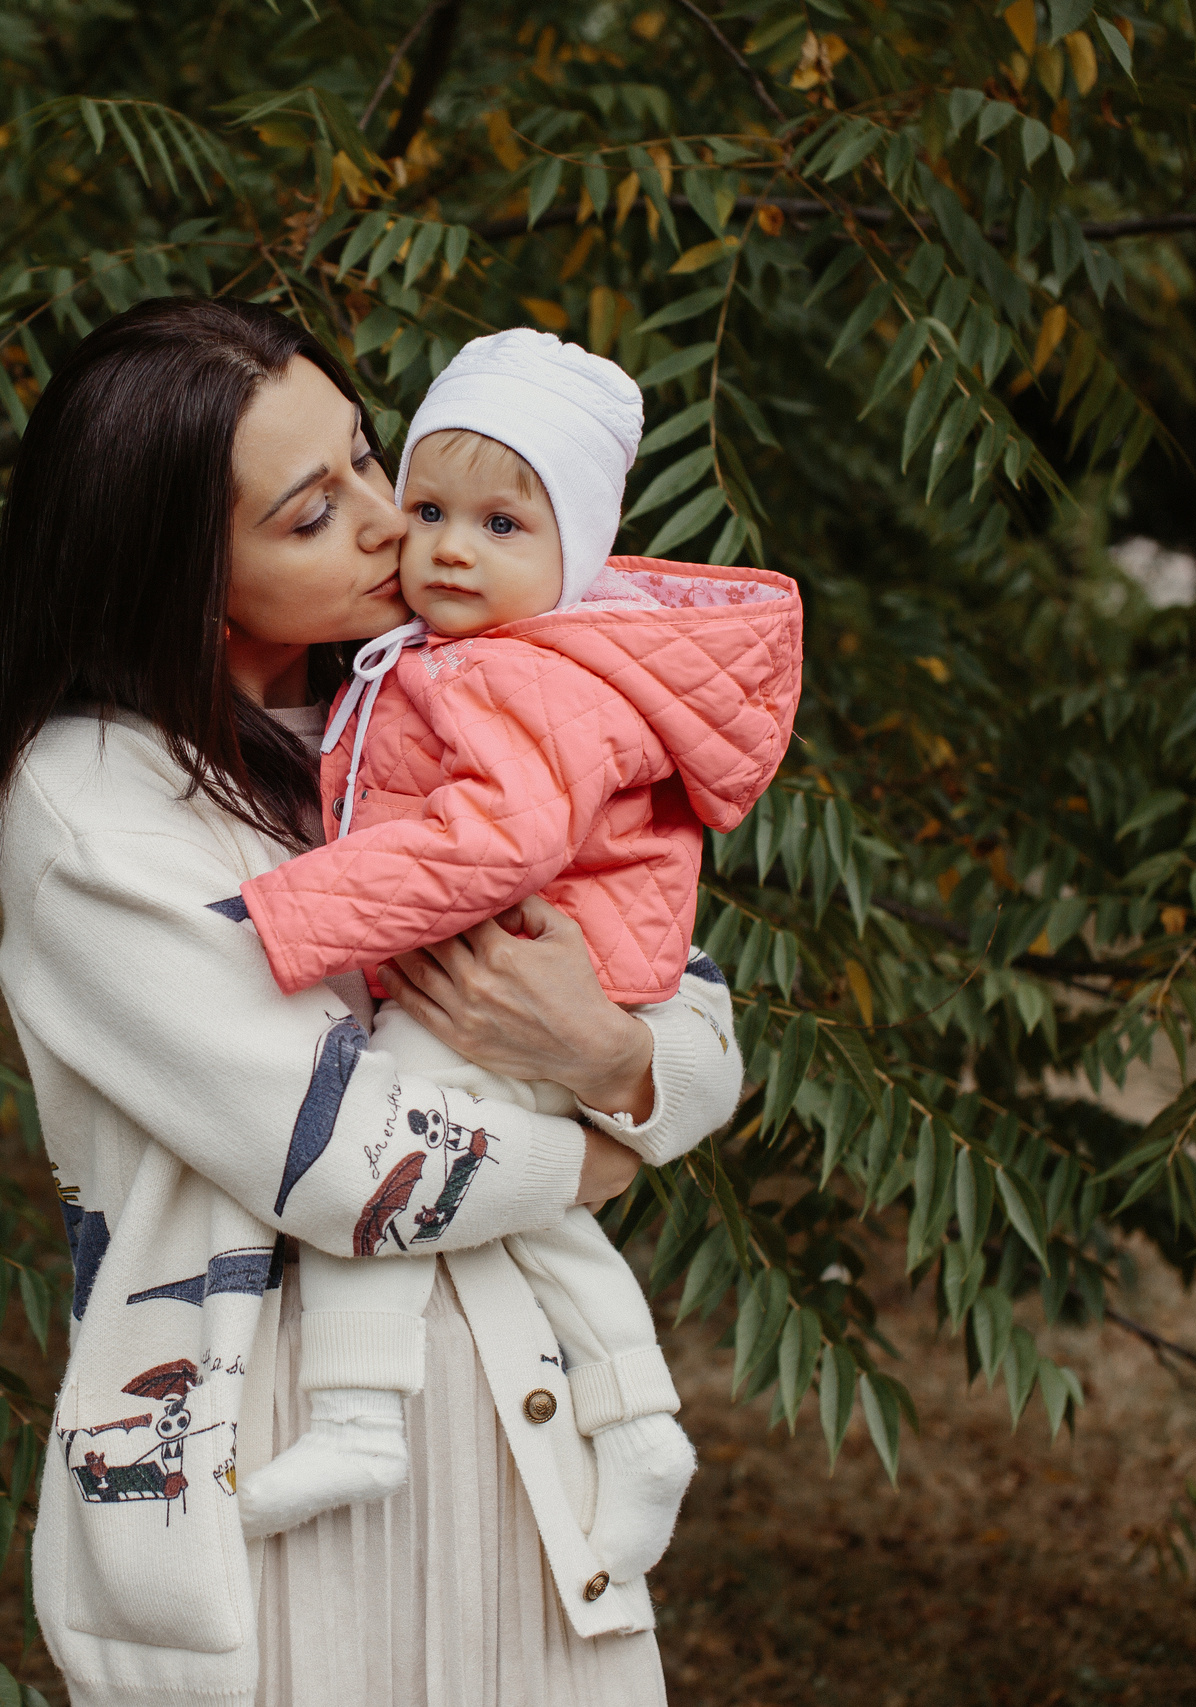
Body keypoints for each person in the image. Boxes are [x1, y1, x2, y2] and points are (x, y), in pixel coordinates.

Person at [0, 296, 752, 1707]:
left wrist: (613, 1054)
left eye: (370, 458)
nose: (395, 521)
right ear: (175, 570)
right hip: (282, 1469)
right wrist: (607, 1142)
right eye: (315, 512)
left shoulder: (436, 706)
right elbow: (358, 1167)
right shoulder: (91, 806)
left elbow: (697, 1015)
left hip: (526, 1441)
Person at [228, 330, 803, 1574]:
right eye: (430, 506)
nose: (436, 543)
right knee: (540, 1227)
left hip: (523, 961)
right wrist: (593, 1147)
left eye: (500, 526)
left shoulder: (510, 677)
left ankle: (356, 1410)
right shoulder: (475, 658)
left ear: (575, 554)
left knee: (394, 1144)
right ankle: (642, 1427)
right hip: (563, 976)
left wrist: (295, 911)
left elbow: (497, 839)